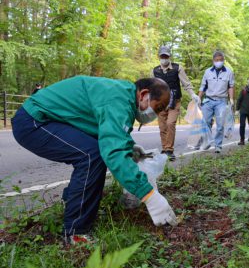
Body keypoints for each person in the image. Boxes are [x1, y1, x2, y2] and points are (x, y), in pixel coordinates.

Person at [11, 76, 177, 245]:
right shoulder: (118, 100)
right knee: (91, 156)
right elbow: (114, 151)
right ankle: (76, 232)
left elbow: (110, 134)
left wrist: (130, 147)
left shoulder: (122, 95)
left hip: (46, 118)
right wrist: (148, 195)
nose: (154, 115)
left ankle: (74, 202)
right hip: (34, 121)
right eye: (157, 108)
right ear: (143, 94)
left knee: (94, 152)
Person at [151, 46, 199, 161]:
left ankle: (169, 150)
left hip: (174, 101)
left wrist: (193, 94)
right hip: (160, 102)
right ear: (159, 57)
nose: (164, 58)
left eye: (166, 56)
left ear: (169, 57)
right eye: (162, 56)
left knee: (170, 123)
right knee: (162, 126)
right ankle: (164, 149)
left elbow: (186, 83)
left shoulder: (177, 68)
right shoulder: (155, 71)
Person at [198, 51, 235, 153]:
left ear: (223, 60)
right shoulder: (207, 72)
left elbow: (231, 86)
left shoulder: (229, 72)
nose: (218, 62)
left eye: (220, 60)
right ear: (213, 61)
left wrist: (231, 100)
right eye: (216, 60)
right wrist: (198, 98)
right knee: (205, 122)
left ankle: (218, 145)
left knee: (220, 125)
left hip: (221, 101)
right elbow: (203, 86)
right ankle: (207, 141)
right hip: (208, 100)